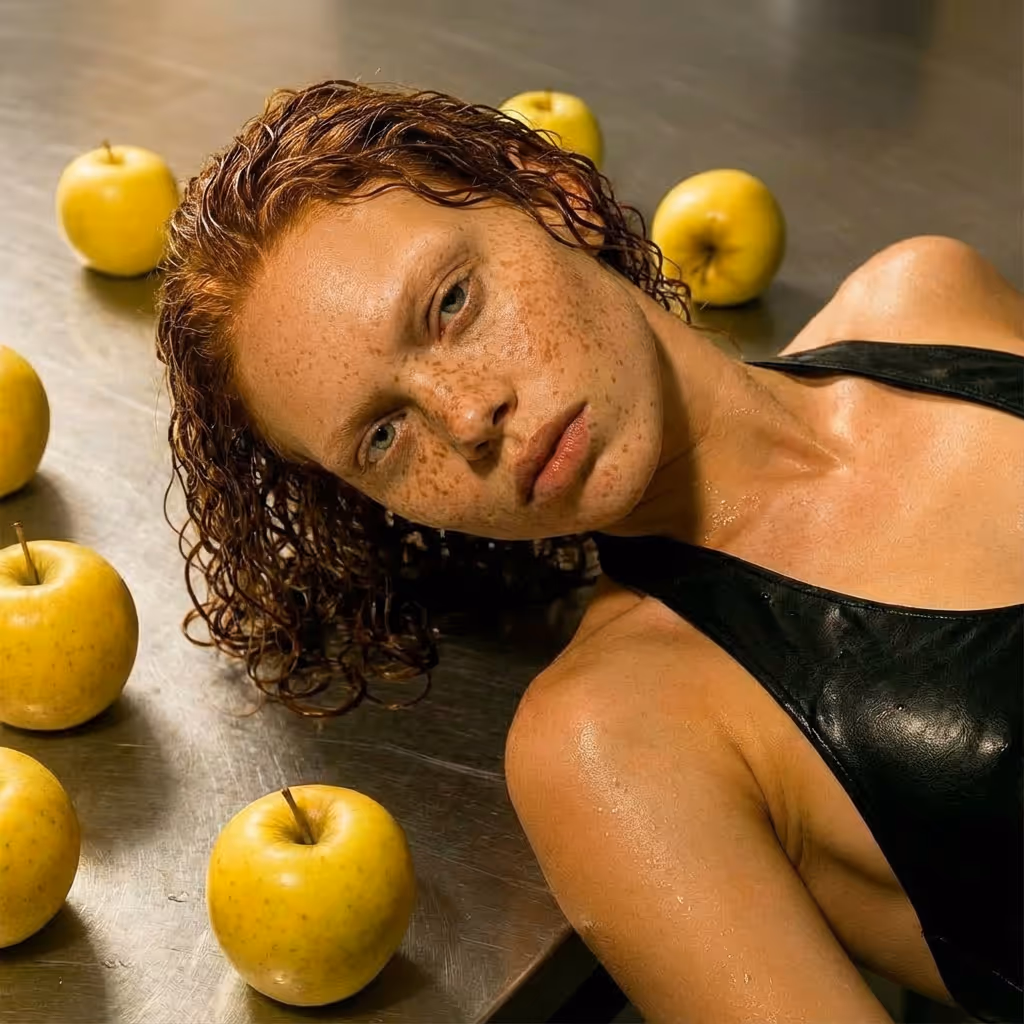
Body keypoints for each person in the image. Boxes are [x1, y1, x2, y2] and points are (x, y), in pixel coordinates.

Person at [155, 80, 1023, 1023]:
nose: (466, 414)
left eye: (451, 303)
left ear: (552, 195)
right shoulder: (617, 741)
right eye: (382, 436)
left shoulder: (931, 296)